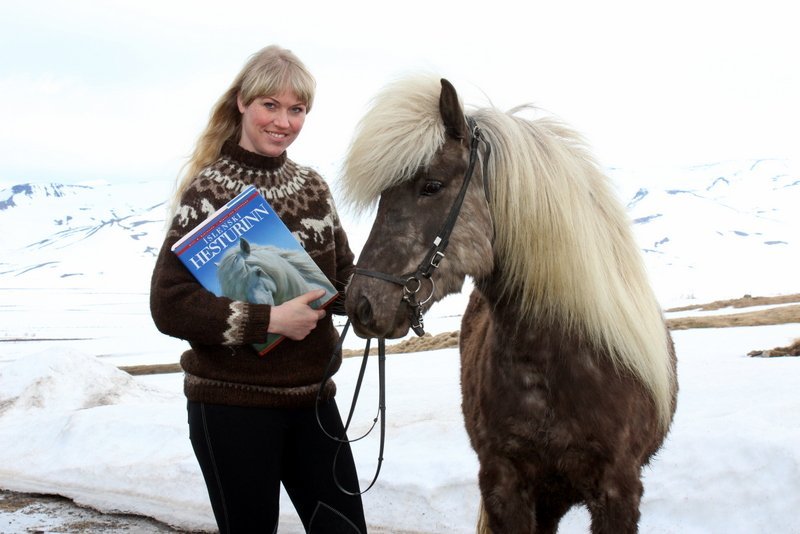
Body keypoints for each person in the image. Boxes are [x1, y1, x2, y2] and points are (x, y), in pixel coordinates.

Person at [150, 45, 367, 534]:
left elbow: (341, 279)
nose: (283, 121)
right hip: (231, 407)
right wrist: (269, 322)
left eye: (297, 110)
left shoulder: (313, 187)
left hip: (313, 401)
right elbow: (169, 304)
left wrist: (385, 298)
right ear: (243, 104)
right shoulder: (208, 192)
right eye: (271, 105)